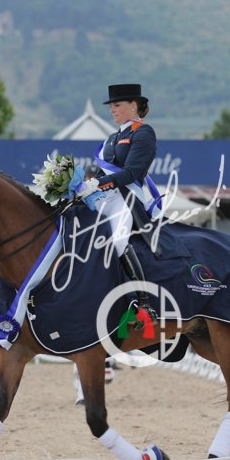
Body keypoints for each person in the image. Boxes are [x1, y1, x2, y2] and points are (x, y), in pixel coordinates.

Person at [75, 83, 159, 320]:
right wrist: (82, 184)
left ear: (133, 105)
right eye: (111, 106)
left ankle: (144, 303)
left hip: (126, 198)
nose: (112, 110)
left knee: (118, 242)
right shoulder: (113, 137)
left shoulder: (143, 133)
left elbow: (131, 173)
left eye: (117, 105)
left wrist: (98, 184)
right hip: (104, 197)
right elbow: (101, 172)